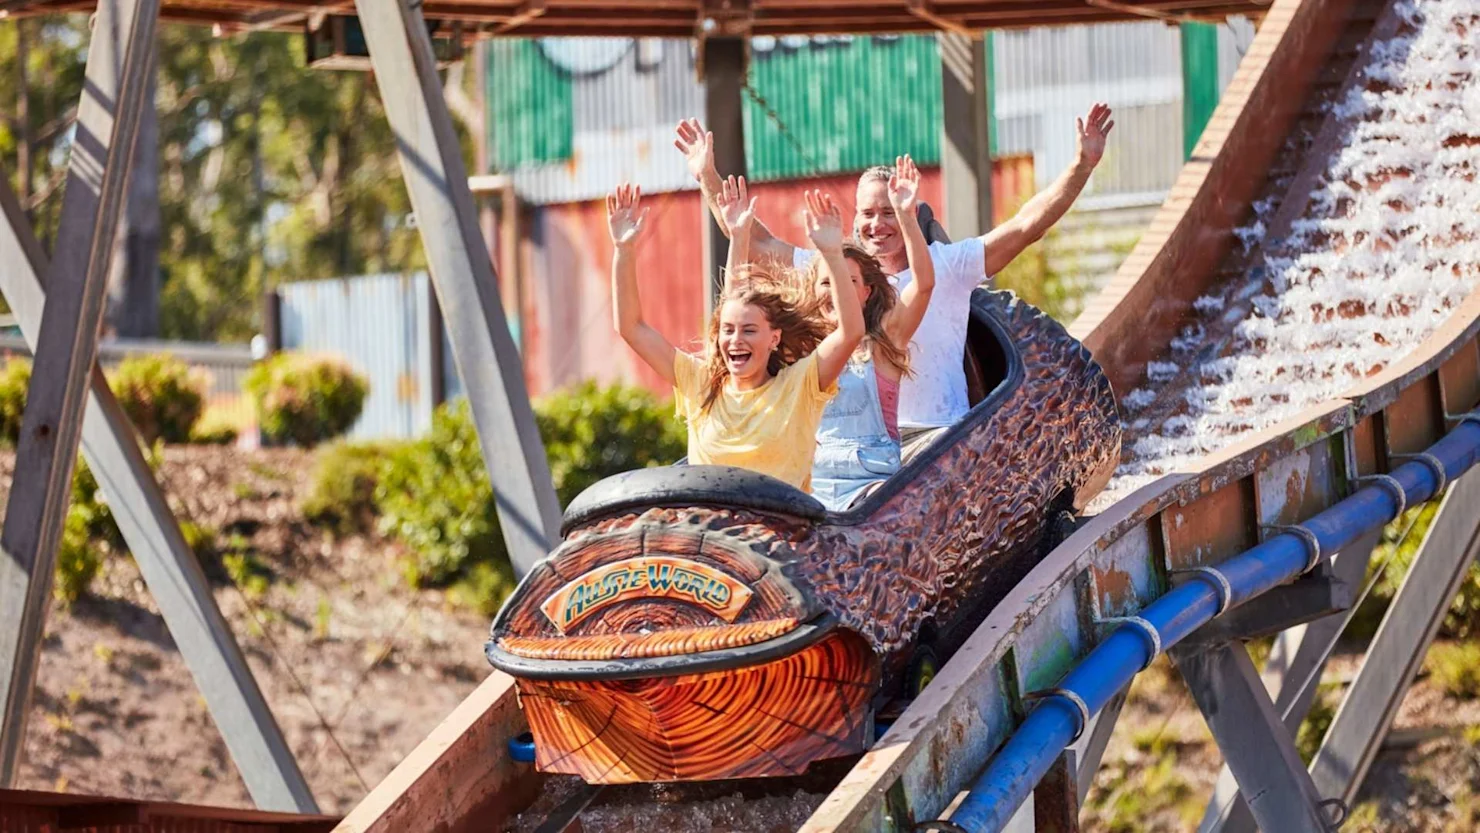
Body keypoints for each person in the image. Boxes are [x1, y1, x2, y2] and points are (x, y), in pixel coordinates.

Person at [675, 104, 1115, 456]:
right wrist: (705, 175)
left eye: (889, 212)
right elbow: (752, 240)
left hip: (939, 437)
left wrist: (1081, 165)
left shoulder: (948, 264)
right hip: (859, 447)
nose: (877, 224)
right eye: (868, 214)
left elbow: (1024, 227)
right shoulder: (836, 268)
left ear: (908, 211)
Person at [607, 183, 864, 491]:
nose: (735, 339)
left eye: (749, 331)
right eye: (727, 331)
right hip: (712, 529)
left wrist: (833, 255)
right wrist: (624, 251)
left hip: (782, 530)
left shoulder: (799, 385)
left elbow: (850, 333)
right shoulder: (700, 382)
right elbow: (631, 328)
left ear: (774, 338)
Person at [715, 158, 936, 510]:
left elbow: (923, 285)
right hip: (809, 487)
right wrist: (739, 236)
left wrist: (907, 216)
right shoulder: (799, 352)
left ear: (866, 292)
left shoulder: (883, 343)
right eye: (827, 283)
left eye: (848, 283)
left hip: (871, 488)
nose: (836, 293)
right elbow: (735, 309)